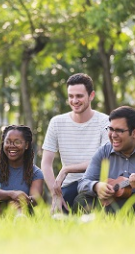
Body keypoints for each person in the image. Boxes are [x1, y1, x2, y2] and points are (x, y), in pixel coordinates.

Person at [74, 106, 135, 214]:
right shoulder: (104, 151)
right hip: (112, 203)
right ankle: (109, 216)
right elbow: (83, 183)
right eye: (111, 129)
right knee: (81, 200)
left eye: (119, 131)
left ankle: (105, 217)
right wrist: (96, 186)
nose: (113, 135)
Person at [41, 73, 109, 213]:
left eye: (79, 96)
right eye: (71, 96)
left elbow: (103, 161)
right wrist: (55, 194)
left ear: (91, 96)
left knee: (85, 208)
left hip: (95, 183)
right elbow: (46, 163)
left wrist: (67, 169)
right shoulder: (57, 123)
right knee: (58, 217)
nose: (74, 100)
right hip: (69, 185)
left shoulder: (105, 122)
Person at [0, 125, 44, 214]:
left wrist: (23, 200)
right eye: (8, 142)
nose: (11, 146)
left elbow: (36, 198)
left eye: (17, 142)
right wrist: (12, 194)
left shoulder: (36, 172)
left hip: (23, 209)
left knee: (18, 208)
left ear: (26, 145)